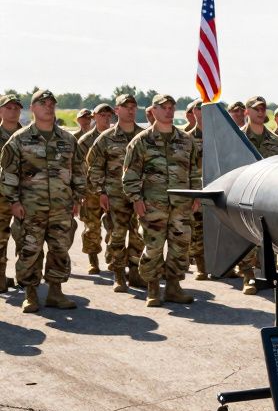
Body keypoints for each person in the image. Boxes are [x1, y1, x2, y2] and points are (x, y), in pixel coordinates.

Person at [0, 89, 85, 313]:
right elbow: (8, 175)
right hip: (30, 208)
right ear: (33, 108)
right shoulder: (18, 140)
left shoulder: (68, 139)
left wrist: (77, 197)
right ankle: (30, 294)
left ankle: (55, 292)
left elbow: (77, 170)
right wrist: (14, 202)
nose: (49, 106)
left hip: (61, 207)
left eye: (52, 103)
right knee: (30, 251)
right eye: (43, 103)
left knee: (60, 249)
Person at [122, 95, 201, 307]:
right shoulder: (141, 141)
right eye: (163, 108)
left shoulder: (186, 140)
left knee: (180, 247)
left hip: (182, 205)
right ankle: (153, 288)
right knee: (153, 248)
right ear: (153, 111)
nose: (168, 111)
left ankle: (174, 287)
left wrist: (196, 196)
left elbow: (194, 171)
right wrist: (136, 199)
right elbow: (130, 175)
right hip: (152, 206)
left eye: (171, 108)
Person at [87, 94, 146, 292]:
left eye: (133, 106)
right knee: (117, 235)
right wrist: (101, 192)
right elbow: (94, 167)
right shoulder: (106, 138)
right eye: (125, 106)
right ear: (117, 110)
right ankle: (119, 275)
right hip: (115, 195)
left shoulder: (144, 137)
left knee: (139, 235)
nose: (130, 110)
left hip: (139, 196)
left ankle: (136, 273)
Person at [237, 96, 278, 289]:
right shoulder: (238, 140)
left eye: (263, 108)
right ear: (246, 112)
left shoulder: (276, 142)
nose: (260, 112)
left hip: (268, 198)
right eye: (256, 108)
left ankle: (267, 272)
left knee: (268, 235)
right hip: (243, 196)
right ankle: (248, 274)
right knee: (245, 235)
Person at [76, 104, 114, 274]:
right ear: (94, 117)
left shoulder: (116, 137)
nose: (106, 118)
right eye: (102, 115)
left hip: (113, 191)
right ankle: (93, 260)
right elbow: (78, 167)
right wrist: (79, 193)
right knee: (92, 227)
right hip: (91, 192)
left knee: (114, 227)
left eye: (108, 115)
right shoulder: (85, 141)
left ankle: (113, 255)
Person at [0, 93, 23, 292]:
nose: (13, 111)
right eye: (9, 107)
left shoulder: (28, 136)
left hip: (24, 197)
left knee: (26, 237)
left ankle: (24, 276)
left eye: (16, 108)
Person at [184, 100, 208, 280]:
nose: (203, 112)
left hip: (219, 187)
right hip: (196, 189)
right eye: (200, 109)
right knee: (197, 228)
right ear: (194, 112)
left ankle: (225, 265)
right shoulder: (187, 138)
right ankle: (201, 266)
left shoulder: (221, 137)